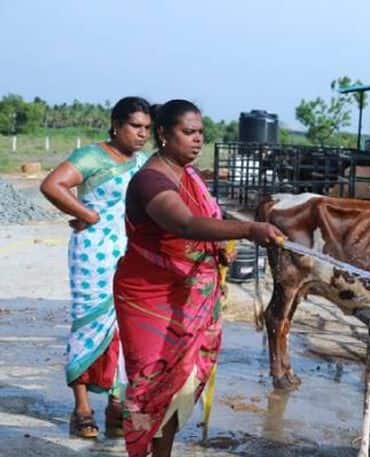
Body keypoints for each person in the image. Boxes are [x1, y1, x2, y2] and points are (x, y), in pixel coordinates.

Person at [113, 99, 284, 457]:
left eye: (201, 133)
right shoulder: (150, 180)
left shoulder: (189, 177)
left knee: (181, 385)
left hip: (191, 297)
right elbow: (184, 224)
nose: (197, 140)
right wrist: (249, 229)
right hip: (152, 298)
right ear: (163, 134)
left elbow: (212, 217)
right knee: (151, 384)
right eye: (188, 132)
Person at [40, 96, 151, 439]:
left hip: (131, 255)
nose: (142, 134)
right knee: (89, 323)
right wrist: (87, 215)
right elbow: (52, 185)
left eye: (147, 128)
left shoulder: (144, 163)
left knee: (127, 327)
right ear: (116, 125)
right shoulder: (92, 156)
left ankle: (117, 406)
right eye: (135, 126)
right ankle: (82, 409)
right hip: (93, 254)